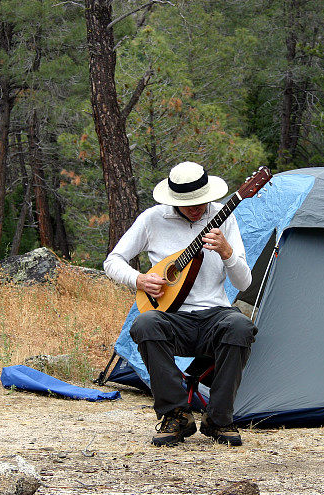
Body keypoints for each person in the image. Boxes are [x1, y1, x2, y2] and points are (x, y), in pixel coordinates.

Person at [103, 161, 257, 446]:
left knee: (241, 326)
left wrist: (228, 253)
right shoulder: (152, 219)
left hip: (215, 315)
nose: (196, 209)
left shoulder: (225, 219)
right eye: (188, 204)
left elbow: (244, 284)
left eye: (201, 202)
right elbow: (112, 261)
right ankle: (176, 414)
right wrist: (139, 280)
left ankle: (219, 418)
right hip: (171, 318)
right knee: (145, 323)